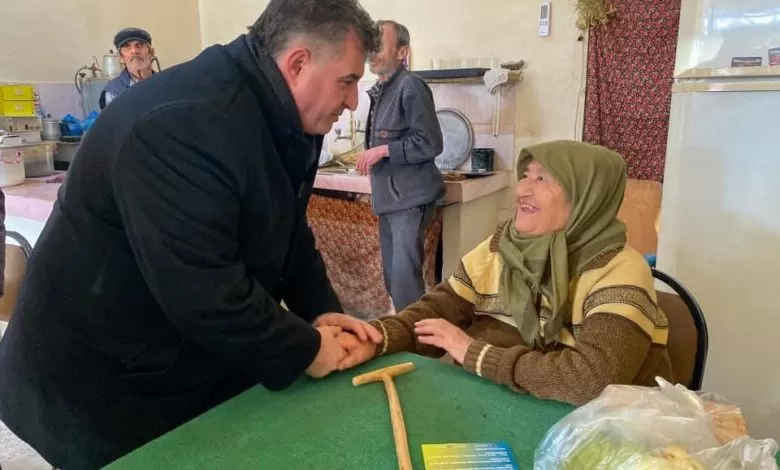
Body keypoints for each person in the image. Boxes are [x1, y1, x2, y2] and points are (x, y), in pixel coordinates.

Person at [0, 1, 381, 468]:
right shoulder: (183, 123)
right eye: (348, 81)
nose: (353, 101)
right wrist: (306, 349)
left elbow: (288, 229)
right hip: (100, 376)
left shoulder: (282, 110)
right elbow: (203, 290)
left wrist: (323, 313)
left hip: (181, 345)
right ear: (298, 64)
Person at [339, 140, 675, 406]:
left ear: (586, 195)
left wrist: (474, 353)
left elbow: (592, 379)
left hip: (595, 430)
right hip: (498, 402)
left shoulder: (618, 269)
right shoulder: (504, 246)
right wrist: (376, 339)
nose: (521, 190)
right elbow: (436, 311)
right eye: (525, 175)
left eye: (542, 178)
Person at [355, 20, 445, 312]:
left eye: (379, 45)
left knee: (404, 281)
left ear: (402, 51)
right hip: (390, 201)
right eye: (370, 45)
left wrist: (382, 150)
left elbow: (430, 143)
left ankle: (415, 347)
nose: (372, 52)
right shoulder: (381, 90)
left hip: (410, 199)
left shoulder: (411, 86)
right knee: (393, 280)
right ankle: (406, 340)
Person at [100, 27, 156, 109]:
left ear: (151, 53)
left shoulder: (164, 84)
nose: (134, 51)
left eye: (139, 45)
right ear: (121, 58)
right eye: (127, 46)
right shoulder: (114, 92)